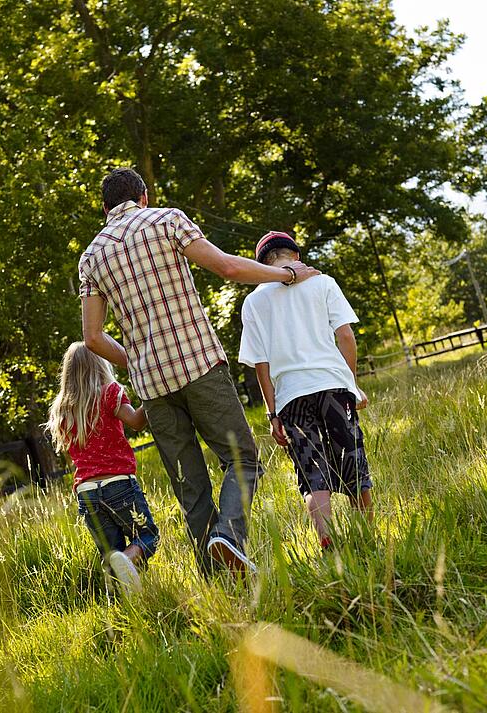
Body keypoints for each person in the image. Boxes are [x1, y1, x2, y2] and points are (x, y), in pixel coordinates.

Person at [79, 167, 319, 575]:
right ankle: (228, 536)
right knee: (242, 459)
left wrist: (135, 359)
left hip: (152, 387)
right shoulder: (167, 219)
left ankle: (219, 582)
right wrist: (286, 273)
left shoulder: (90, 257)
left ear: (104, 208)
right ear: (144, 196)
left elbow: (93, 338)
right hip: (199, 365)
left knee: (190, 486)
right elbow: (226, 268)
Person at [238, 231, 373, 552]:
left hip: (290, 398)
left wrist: (273, 415)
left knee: (312, 473)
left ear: (263, 265)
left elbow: (261, 365)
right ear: (295, 257)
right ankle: (368, 540)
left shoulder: (253, 301)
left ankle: (328, 543)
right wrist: (351, 385)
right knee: (352, 463)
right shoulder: (323, 282)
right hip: (333, 385)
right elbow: (346, 337)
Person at [46, 342, 158, 595]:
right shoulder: (109, 393)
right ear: (101, 363)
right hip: (118, 484)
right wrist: (152, 393)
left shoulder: (63, 408)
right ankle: (129, 561)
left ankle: (122, 609)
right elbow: (137, 422)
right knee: (147, 535)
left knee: (111, 555)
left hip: (86, 492)